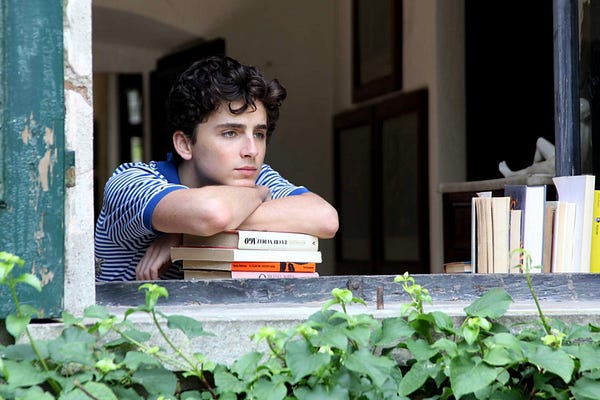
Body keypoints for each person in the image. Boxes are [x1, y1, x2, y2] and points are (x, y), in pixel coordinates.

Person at [95, 55, 339, 281]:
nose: (252, 151)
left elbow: (325, 218)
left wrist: (182, 234)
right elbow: (213, 213)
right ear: (185, 144)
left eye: (259, 134)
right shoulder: (130, 182)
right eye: (230, 133)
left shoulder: (253, 175)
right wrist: (259, 194)